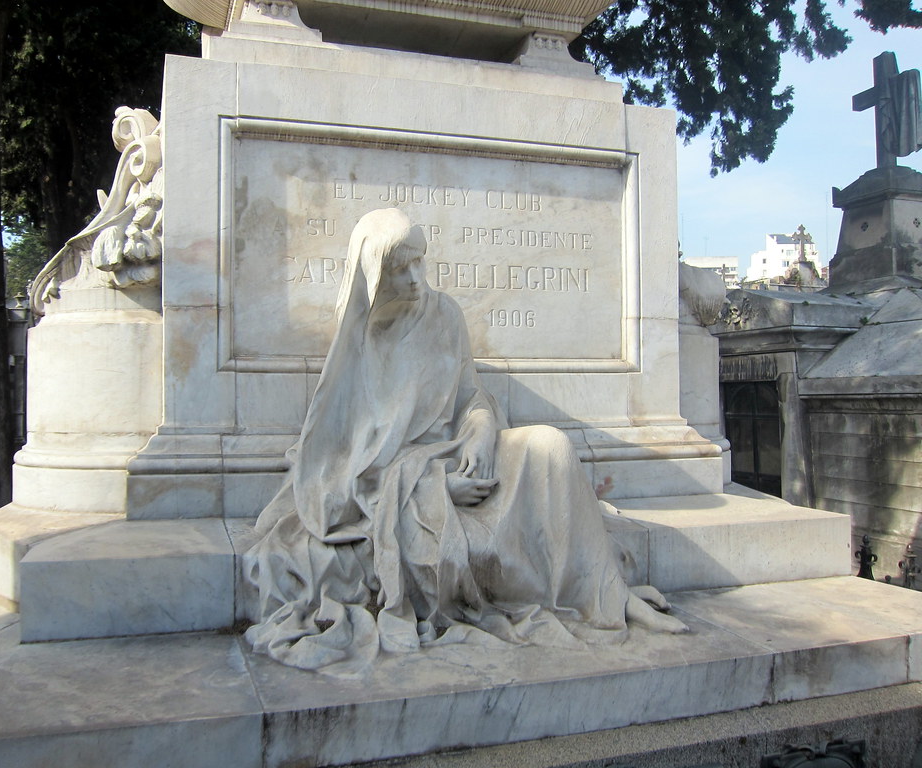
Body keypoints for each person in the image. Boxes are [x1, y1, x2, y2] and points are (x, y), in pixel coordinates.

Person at [242, 208, 686, 672]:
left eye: (420, 262)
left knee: (551, 445)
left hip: (463, 455)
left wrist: (479, 433)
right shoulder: (357, 346)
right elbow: (347, 474)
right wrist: (436, 486)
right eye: (399, 268)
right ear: (373, 275)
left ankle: (609, 596)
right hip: (417, 484)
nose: (415, 279)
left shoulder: (444, 314)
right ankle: (592, 592)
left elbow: (472, 395)